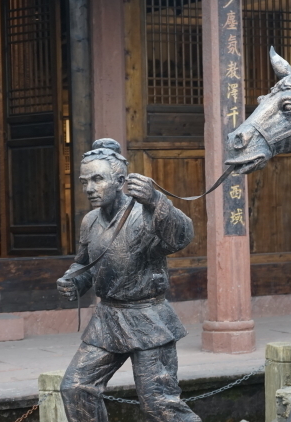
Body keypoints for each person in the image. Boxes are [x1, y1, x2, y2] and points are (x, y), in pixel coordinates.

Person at [56, 138, 200, 422]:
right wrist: (74, 280)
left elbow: (181, 237)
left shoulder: (145, 213)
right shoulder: (90, 221)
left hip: (147, 318)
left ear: (120, 180)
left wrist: (157, 200)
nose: (89, 188)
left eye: (98, 179)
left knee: (159, 403)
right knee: (75, 388)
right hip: (107, 320)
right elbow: (84, 263)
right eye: (85, 181)